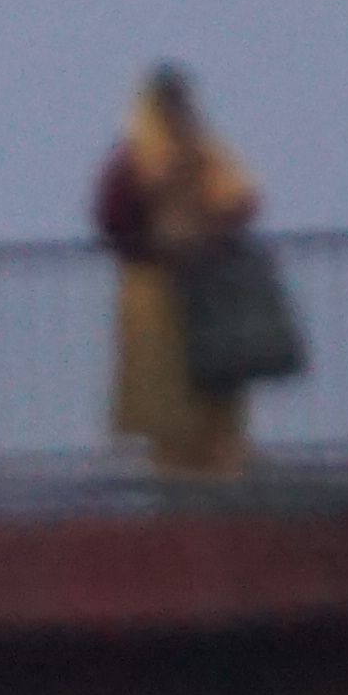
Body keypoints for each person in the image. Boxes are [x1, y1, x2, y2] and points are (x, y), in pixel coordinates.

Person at [93, 66, 263, 479]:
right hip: (160, 295)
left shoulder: (200, 152)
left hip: (198, 288)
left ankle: (215, 473)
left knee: (210, 388)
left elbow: (242, 200)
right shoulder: (142, 157)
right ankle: (185, 478)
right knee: (171, 398)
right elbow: (114, 217)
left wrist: (205, 233)